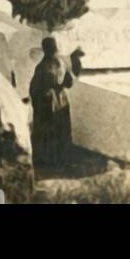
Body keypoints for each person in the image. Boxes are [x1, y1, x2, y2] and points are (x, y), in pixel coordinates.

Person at [28, 37, 75, 172]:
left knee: (47, 132)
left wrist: (37, 100)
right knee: (61, 131)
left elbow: (33, 88)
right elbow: (70, 82)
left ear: (45, 49)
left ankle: (48, 161)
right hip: (62, 101)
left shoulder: (42, 66)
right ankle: (62, 160)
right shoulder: (62, 63)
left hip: (47, 103)